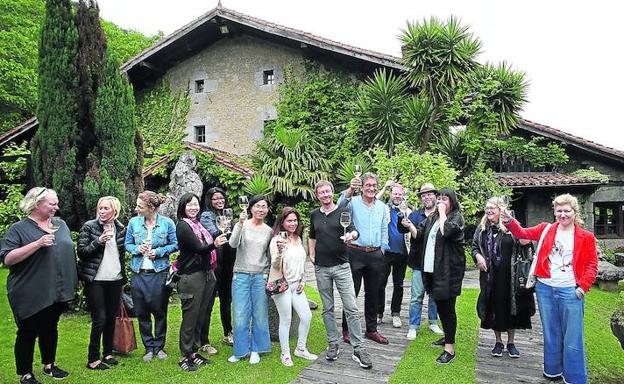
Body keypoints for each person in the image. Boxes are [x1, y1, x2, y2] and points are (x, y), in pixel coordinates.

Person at [502, 193, 598, 383]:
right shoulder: (545, 229)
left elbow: (592, 266)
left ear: (574, 212)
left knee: (572, 338)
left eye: (567, 211)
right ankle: (552, 371)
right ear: (554, 212)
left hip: (571, 291)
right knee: (551, 333)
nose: (563, 214)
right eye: (559, 210)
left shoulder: (586, 237)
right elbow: (522, 234)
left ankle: (575, 378)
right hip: (546, 289)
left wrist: (582, 288)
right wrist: (509, 221)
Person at [0, 187, 77, 384]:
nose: (56, 207)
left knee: (50, 328)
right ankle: (25, 374)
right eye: (52, 204)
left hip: (57, 290)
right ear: (37, 204)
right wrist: (37, 244)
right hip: (30, 290)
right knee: (28, 331)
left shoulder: (61, 225)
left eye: (56, 203)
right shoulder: (18, 229)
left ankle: (49, 364)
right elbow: (7, 258)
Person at [309, 180, 372, 369]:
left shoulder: (343, 212)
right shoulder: (314, 215)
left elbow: (354, 231)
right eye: (322, 193)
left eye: (328, 191)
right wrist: (311, 255)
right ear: (317, 195)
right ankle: (333, 343)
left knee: (351, 308)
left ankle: (358, 348)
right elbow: (312, 236)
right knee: (327, 308)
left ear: (332, 192)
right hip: (321, 268)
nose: (325, 195)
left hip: (342, 266)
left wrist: (352, 236)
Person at [401, 187, 465, 365]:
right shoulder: (432, 218)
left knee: (447, 309)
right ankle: (447, 337)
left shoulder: (455, 217)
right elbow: (419, 235)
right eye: (440, 199)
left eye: (445, 199)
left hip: (448, 272)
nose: (441, 202)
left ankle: (449, 348)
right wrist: (409, 225)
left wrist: (443, 212)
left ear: (451, 201)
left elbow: (448, 231)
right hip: (432, 271)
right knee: (442, 307)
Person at [471, 197, 535, 359]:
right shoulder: (482, 228)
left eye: (493, 207)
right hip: (490, 276)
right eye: (487, 207)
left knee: (511, 308)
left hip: (510, 277)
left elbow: (526, 242)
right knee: (494, 307)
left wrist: (512, 222)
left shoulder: (510, 226)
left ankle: (511, 343)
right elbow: (474, 247)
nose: (489, 210)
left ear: (500, 210)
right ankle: (498, 342)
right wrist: (478, 257)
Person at [175, 193, 228, 371]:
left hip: (206, 274)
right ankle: (185, 355)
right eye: (189, 205)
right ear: (182, 207)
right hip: (191, 276)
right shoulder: (183, 226)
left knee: (201, 315)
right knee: (190, 317)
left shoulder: (198, 225)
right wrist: (215, 244)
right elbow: (198, 249)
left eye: (196, 204)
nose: (193, 208)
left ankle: (194, 352)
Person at [125, 191, 178, 363]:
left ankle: (159, 346)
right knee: (142, 312)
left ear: (152, 208)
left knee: (159, 311)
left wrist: (159, 251)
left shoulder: (167, 223)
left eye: (140, 206)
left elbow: (175, 244)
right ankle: (148, 347)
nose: (136, 209)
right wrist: (136, 249)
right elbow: (127, 244)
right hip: (138, 273)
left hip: (159, 273)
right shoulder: (133, 223)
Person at [339, 172, 390, 345]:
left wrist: (383, 248)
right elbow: (339, 206)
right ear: (361, 187)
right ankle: (347, 329)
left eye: (374, 185)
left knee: (373, 293)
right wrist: (349, 189)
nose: (371, 188)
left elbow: (384, 228)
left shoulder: (382, 206)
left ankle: (371, 329)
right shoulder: (352, 202)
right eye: (368, 185)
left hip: (375, 254)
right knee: (351, 293)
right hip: (354, 252)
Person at [77, 196, 127, 370]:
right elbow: (82, 252)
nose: (102, 211)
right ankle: (93, 358)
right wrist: (98, 242)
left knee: (111, 319)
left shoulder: (121, 229)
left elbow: (120, 255)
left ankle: (107, 353)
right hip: (95, 280)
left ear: (115, 211)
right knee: (99, 318)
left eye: (106, 208)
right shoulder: (89, 227)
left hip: (114, 278)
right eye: (101, 208)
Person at [269, 207, 318, 366]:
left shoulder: (298, 238)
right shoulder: (277, 239)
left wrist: (303, 281)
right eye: (289, 220)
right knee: (286, 319)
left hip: (296, 285)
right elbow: (275, 265)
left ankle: (301, 349)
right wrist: (279, 252)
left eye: (295, 220)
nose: (293, 223)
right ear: (282, 222)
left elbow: (302, 262)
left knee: (307, 316)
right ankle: (285, 354)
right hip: (282, 285)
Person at [227, 195, 272, 364]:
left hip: (260, 276)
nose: (261, 209)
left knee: (259, 314)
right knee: (239, 314)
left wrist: (267, 274)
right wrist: (239, 223)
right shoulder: (243, 225)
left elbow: (269, 255)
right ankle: (240, 351)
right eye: (258, 206)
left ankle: (256, 349)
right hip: (241, 275)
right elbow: (232, 244)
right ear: (251, 208)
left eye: (264, 207)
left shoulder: (268, 230)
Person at [401, 183, 443, 340]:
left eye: (430, 194)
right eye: (423, 195)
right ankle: (413, 326)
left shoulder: (441, 215)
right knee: (416, 296)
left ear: (436, 196)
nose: (426, 197)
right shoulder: (414, 215)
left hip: (436, 262)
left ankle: (433, 322)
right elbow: (405, 231)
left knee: (434, 295)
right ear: (421, 198)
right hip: (418, 262)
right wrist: (403, 221)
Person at [199, 187, 236, 352]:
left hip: (228, 262)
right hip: (214, 263)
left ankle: (228, 332)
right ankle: (204, 340)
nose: (219, 201)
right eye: (215, 199)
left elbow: (234, 236)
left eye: (221, 198)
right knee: (208, 302)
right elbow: (215, 233)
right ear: (209, 201)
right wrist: (228, 229)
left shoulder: (228, 213)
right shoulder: (207, 216)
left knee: (226, 299)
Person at [375, 181, 409, 328]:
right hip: (385, 252)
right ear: (391, 194)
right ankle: (378, 313)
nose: (397, 196)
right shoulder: (384, 208)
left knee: (399, 285)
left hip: (402, 254)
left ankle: (396, 313)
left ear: (403, 196)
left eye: (399, 194)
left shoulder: (407, 211)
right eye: (395, 193)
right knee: (380, 283)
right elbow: (375, 199)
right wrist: (384, 187)